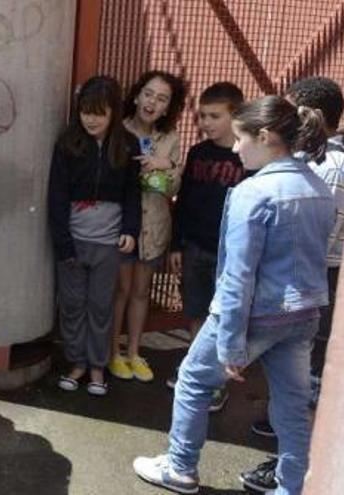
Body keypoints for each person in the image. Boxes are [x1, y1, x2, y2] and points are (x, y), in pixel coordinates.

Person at [133, 95, 334, 495]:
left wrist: (229, 343)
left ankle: (180, 467)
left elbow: (238, 275)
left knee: (192, 380)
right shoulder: (317, 185)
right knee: (293, 404)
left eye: (241, 138)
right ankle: (292, 486)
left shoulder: (252, 193)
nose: (237, 147)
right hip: (304, 312)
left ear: (264, 136)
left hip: (254, 313)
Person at [239, 76, 344, 493]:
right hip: (318, 276)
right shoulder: (321, 160)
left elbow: (318, 234)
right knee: (299, 372)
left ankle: (292, 470)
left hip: (317, 275)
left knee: (307, 376)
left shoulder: (326, 166)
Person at [48, 76, 141, 396]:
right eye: (86, 111)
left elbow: (133, 193)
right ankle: (76, 363)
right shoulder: (67, 142)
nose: (91, 119)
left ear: (114, 112)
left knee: (101, 306)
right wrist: (62, 242)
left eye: (99, 112)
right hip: (74, 240)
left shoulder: (127, 144)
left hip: (109, 243)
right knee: (72, 304)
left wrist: (131, 229)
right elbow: (56, 195)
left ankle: (98, 366)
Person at [166, 82, 246, 414]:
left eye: (214, 116)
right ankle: (197, 370)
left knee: (225, 319)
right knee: (197, 311)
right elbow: (183, 202)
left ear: (235, 115)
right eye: (202, 116)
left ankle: (216, 384)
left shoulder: (247, 157)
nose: (206, 123)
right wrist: (176, 245)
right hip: (196, 247)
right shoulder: (198, 153)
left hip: (231, 254)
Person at [109, 70, 185, 383]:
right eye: (149, 93)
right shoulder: (118, 129)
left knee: (141, 292)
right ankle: (113, 352)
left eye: (162, 98)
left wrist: (164, 167)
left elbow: (172, 189)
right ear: (138, 95)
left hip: (154, 225)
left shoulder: (170, 139)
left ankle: (134, 352)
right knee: (120, 291)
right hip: (121, 226)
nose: (153, 101)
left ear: (168, 108)